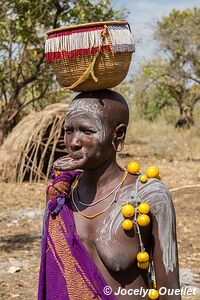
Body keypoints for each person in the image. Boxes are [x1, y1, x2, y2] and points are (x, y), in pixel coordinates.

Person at [38, 90, 180, 300]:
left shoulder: (149, 195)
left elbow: (170, 292)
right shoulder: (61, 196)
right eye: (69, 130)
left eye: (87, 131)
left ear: (118, 135)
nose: (74, 142)